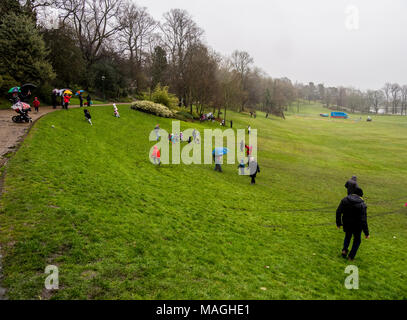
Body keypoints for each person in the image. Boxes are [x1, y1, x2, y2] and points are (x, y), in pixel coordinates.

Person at [336, 187, 370, 261]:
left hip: (347, 223)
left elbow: (338, 211)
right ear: (361, 195)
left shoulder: (345, 199)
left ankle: (344, 250)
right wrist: (366, 233)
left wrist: (338, 223)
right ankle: (351, 257)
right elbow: (363, 219)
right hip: (357, 226)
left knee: (348, 235)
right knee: (357, 240)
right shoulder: (362, 204)